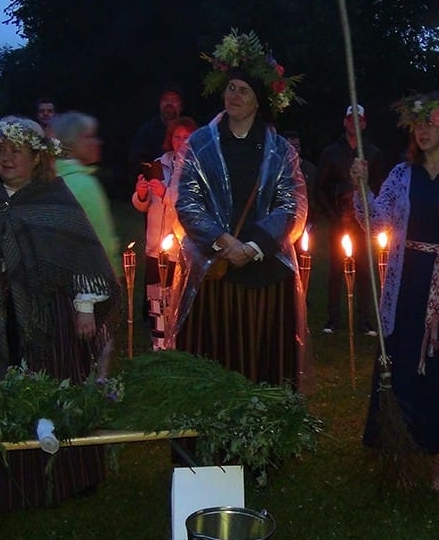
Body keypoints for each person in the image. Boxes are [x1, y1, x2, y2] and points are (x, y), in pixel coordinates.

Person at [0, 116, 121, 511]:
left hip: (50, 316)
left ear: (37, 157)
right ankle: (6, 481)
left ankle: (66, 477)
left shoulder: (54, 197)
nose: (7, 158)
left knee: (53, 389)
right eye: (0, 150)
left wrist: (85, 306)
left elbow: (80, 253)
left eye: (16, 150)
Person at [350, 91, 439, 492]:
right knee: (401, 365)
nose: (422, 131)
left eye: (430, 123)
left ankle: (436, 462)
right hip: (406, 281)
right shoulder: (401, 175)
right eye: (417, 125)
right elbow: (375, 223)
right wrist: (362, 188)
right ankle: (398, 451)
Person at [167, 30, 307, 388]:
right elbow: (188, 200)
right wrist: (223, 241)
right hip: (215, 272)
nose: (234, 95)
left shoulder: (278, 149)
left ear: (259, 100)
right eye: (231, 88)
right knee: (214, 362)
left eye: (243, 90)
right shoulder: (200, 144)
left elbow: (290, 204)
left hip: (265, 276)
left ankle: (259, 435)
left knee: (263, 365)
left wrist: (255, 245)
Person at [51, 111, 122, 374]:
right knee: (91, 369)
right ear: (73, 142)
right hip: (91, 298)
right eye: (90, 137)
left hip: (58, 296)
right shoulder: (82, 185)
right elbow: (96, 248)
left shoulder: (51, 181)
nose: (97, 143)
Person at [316, 104, 384, 335]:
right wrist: (333, 215)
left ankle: (364, 320)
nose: (354, 123)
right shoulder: (331, 152)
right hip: (339, 219)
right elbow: (320, 187)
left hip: (363, 223)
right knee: (336, 268)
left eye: (359, 119)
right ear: (345, 122)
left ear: (363, 123)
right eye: (350, 118)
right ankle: (333, 318)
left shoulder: (372, 153)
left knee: (365, 269)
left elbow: (379, 186)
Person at [133, 116, 196, 350]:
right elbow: (144, 204)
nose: (181, 142)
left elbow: (190, 206)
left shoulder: (195, 169)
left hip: (179, 248)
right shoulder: (159, 164)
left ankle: (178, 341)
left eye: (187, 137)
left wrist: (165, 193)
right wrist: (141, 194)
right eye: (177, 137)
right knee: (155, 297)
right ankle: (157, 342)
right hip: (154, 246)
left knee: (175, 297)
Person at [128, 83, 184, 186]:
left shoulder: (190, 130)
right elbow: (137, 163)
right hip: (154, 190)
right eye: (166, 99)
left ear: (181, 106)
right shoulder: (146, 132)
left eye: (174, 100)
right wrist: (162, 179)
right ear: (160, 103)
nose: (169, 103)